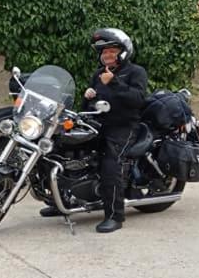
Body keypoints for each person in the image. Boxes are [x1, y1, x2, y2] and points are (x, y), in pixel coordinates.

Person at [42, 28, 148, 232]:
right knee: (61, 152)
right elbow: (89, 107)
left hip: (123, 126)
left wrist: (114, 82)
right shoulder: (98, 74)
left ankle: (115, 216)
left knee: (110, 163)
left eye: (111, 51)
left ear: (123, 52)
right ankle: (61, 201)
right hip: (98, 125)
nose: (107, 55)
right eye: (103, 52)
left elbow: (138, 99)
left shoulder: (135, 72)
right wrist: (87, 97)